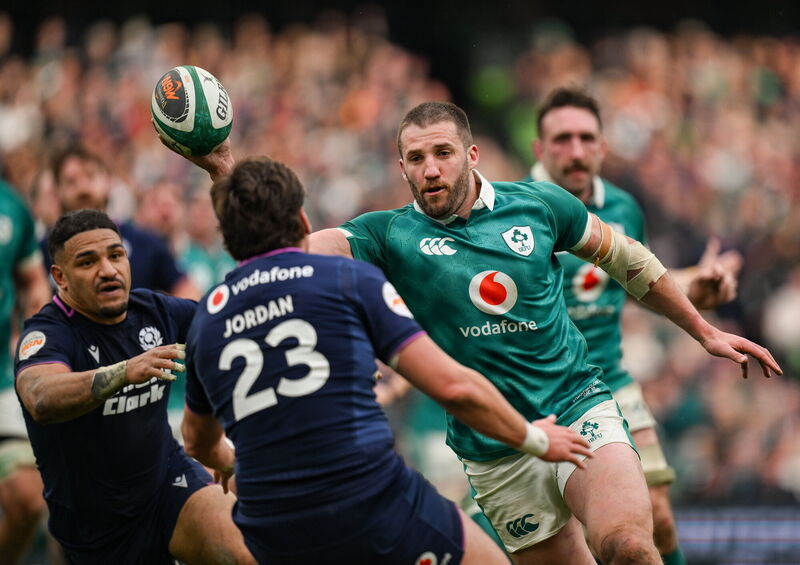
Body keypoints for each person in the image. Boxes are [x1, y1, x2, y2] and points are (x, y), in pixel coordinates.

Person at [172, 101, 781, 565]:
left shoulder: (539, 204)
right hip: (493, 449)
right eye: (415, 159)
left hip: (576, 406)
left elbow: (629, 261)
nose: (429, 170)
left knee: (628, 545)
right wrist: (228, 171)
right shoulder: (386, 235)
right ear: (402, 167)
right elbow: (290, 246)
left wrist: (702, 330)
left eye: (441, 153)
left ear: (471, 155)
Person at [179, 156, 592, 565]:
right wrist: (535, 438)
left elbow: (197, 440)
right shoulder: (346, 281)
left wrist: (229, 460)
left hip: (271, 531)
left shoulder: (206, 320)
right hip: (370, 504)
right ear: (304, 221)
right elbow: (455, 387)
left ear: (228, 240)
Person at [527, 86, 743, 565]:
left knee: (657, 524)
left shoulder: (623, 208)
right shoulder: (514, 211)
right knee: (576, 542)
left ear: (603, 147)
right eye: (562, 139)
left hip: (608, 382)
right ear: (539, 150)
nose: (576, 151)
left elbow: (639, 283)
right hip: (535, 394)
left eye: (586, 138)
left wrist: (697, 283)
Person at [14, 209, 254, 564]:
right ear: (59, 277)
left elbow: (237, 330)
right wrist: (123, 372)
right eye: (87, 262)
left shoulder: (156, 311)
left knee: (246, 552)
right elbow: (41, 396)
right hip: (96, 528)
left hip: (168, 487)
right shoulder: (47, 333)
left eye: (116, 255)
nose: (108, 270)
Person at [42, 145, 200, 299]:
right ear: (57, 190)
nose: (83, 188)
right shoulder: (43, 250)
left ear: (109, 181)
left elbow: (188, 292)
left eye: (90, 176)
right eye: (71, 181)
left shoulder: (144, 243)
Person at [0, 178, 51, 564]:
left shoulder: (12, 205)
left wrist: (34, 332)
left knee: (29, 499)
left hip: (2, 377)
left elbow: (33, 280)